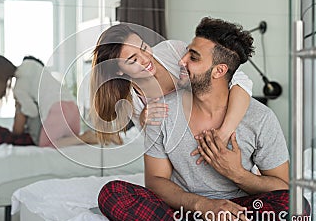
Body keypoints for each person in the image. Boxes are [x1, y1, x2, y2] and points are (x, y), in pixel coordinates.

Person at [97, 17, 310, 221]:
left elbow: (282, 187)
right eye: (133, 60)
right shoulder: (157, 112)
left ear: (220, 70)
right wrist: (204, 206)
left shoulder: (259, 117)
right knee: (112, 193)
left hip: (239, 205)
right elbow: (155, 180)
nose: (181, 61)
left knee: (298, 207)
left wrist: (237, 173)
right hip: (183, 205)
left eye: (194, 57)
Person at [90, 23, 252, 148]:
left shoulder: (172, 51)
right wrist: (143, 121)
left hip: (224, 130)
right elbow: (157, 145)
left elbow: (239, 80)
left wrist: (223, 134)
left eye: (144, 47)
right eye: (133, 60)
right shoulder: (132, 99)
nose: (146, 59)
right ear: (118, 71)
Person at [0, 55, 96, 148]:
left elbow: (32, 112)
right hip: (73, 108)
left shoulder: (19, 88)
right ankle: (81, 138)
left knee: (46, 145)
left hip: (57, 112)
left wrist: (20, 106)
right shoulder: (30, 64)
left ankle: (84, 137)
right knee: (68, 141)